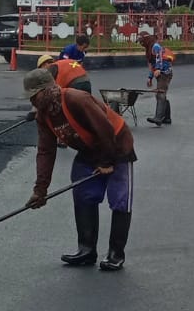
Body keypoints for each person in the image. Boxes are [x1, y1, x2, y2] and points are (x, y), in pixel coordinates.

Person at [23, 67, 135, 271]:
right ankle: (86, 249)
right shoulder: (44, 116)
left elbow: (105, 129)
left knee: (119, 200)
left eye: (34, 96)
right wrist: (40, 190)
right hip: (89, 149)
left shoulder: (76, 99)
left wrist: (107, 162)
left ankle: (115, 254)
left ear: (46, 90)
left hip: (116, 146)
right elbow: (46, 152)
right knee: (83, 193)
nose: (32, 102)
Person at [147, 42, 173, 126]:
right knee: (162, 94)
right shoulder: (149, 50)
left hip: (164, 73)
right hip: (161, 73)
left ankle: (158, 118)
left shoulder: (156, 47)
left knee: (160, 94)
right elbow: (152, 65)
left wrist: (158, 69)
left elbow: (159, 60)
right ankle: (167, 118)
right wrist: (150, 77)